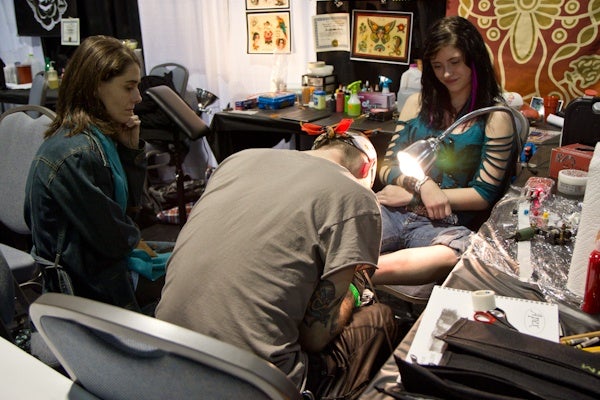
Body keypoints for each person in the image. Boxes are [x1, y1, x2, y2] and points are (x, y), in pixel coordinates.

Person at [156, 128, 399, 399]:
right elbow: (315, 337)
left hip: (168, 353)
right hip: (260, 382)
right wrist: (352, 292)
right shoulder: (356, 194)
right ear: (367, 167)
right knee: (381, 318)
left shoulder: (238, 160)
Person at [373, 16, 519, 286]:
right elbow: (387, 166)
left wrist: (415, 194)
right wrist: (423, 184)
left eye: (454, 63)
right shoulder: (417, 104)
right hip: (394, 213)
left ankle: (358, 272)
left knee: (456, 254)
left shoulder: (495, 118)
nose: (447, 74)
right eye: (437, 66)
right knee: (342, 228)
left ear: (473, 61)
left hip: (446, 226)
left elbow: (483, 195)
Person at [24, 35, 147, 311]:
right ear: (95, 88)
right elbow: (118, 239)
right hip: (86, 292)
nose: (137, 98)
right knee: (200, 278)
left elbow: (133, 211)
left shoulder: (95, 140)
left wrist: (130, 153)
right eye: (129, 87)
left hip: (97, 271)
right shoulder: (76, 155)